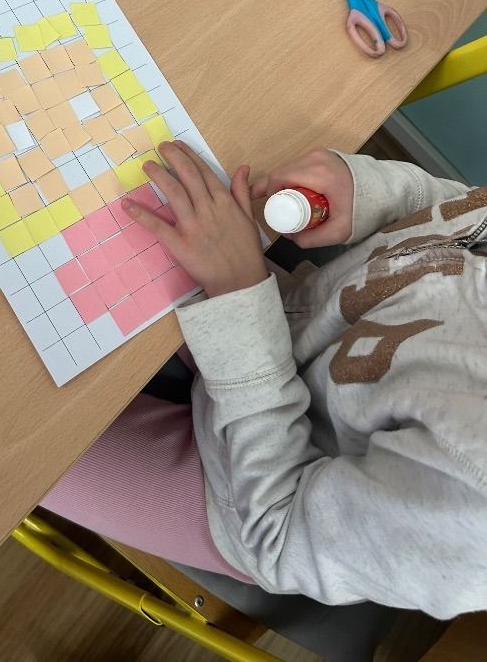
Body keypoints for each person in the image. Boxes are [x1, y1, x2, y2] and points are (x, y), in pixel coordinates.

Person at [42, 143, 487, 619]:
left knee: (8, 445)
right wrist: (387, 194)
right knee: (83, 223)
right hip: (286, 316)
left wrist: (237, 294)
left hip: (242, 494)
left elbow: (280, 537)